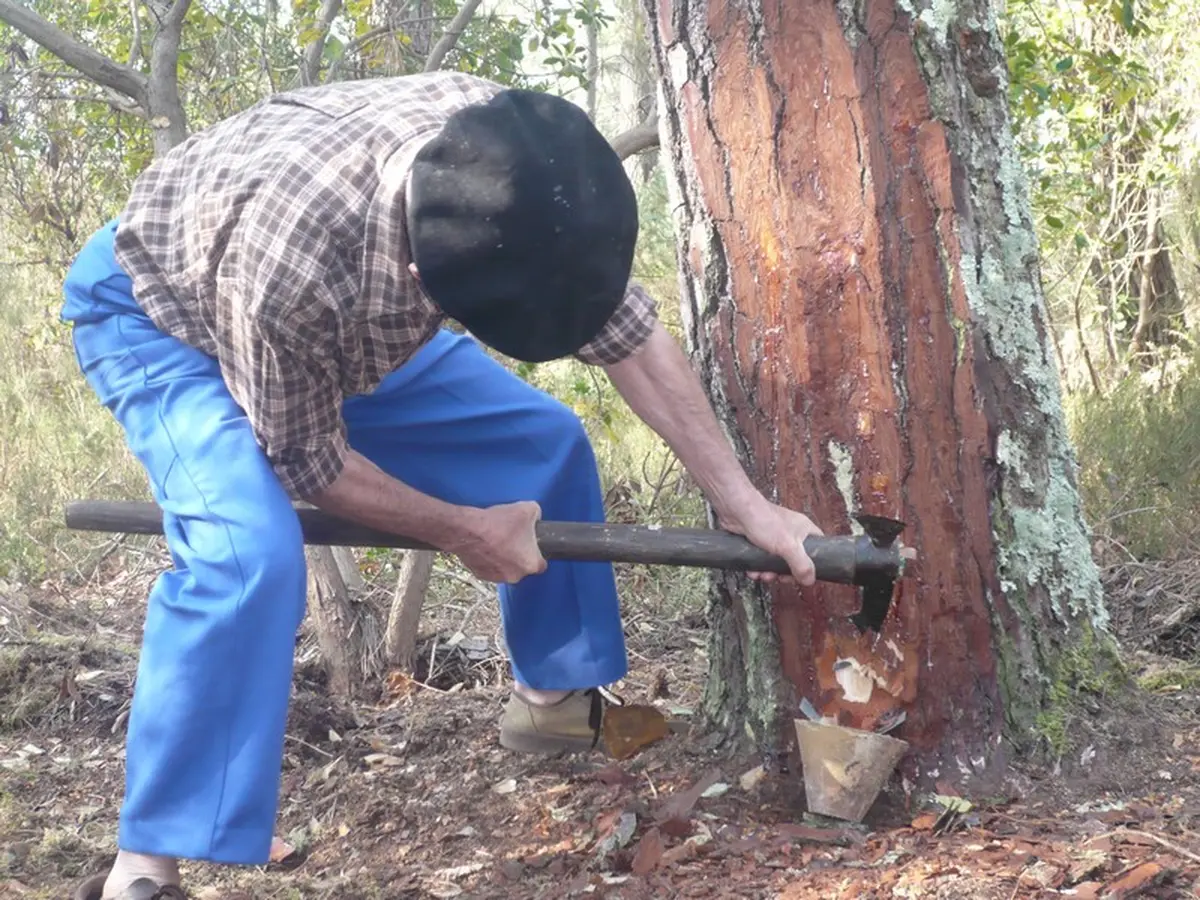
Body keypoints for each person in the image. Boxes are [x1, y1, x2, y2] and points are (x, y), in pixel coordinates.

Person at [62, 71, 824, 900]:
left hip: (330, 317)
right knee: (247, 554)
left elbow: (633, 339)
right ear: (429, 283)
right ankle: (145, 862)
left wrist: (743, 501)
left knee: (545, 443)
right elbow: (309, 463)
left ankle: (551, 697)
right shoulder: (292, 265)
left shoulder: (511, 167)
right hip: (164, 314)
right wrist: (463, 530)